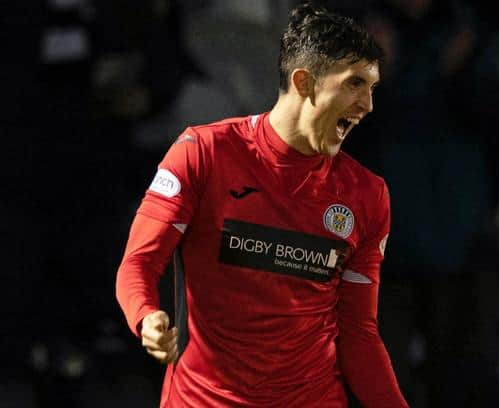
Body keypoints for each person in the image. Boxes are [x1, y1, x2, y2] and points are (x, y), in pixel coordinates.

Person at [115, 2, 409, 407]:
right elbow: (138, 264)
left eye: (372, 88)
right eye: (354, 84)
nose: (367, 106)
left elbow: (358, 332)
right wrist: (146, 316)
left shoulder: (366, 194)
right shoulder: (203, 153)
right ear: (304, 82)